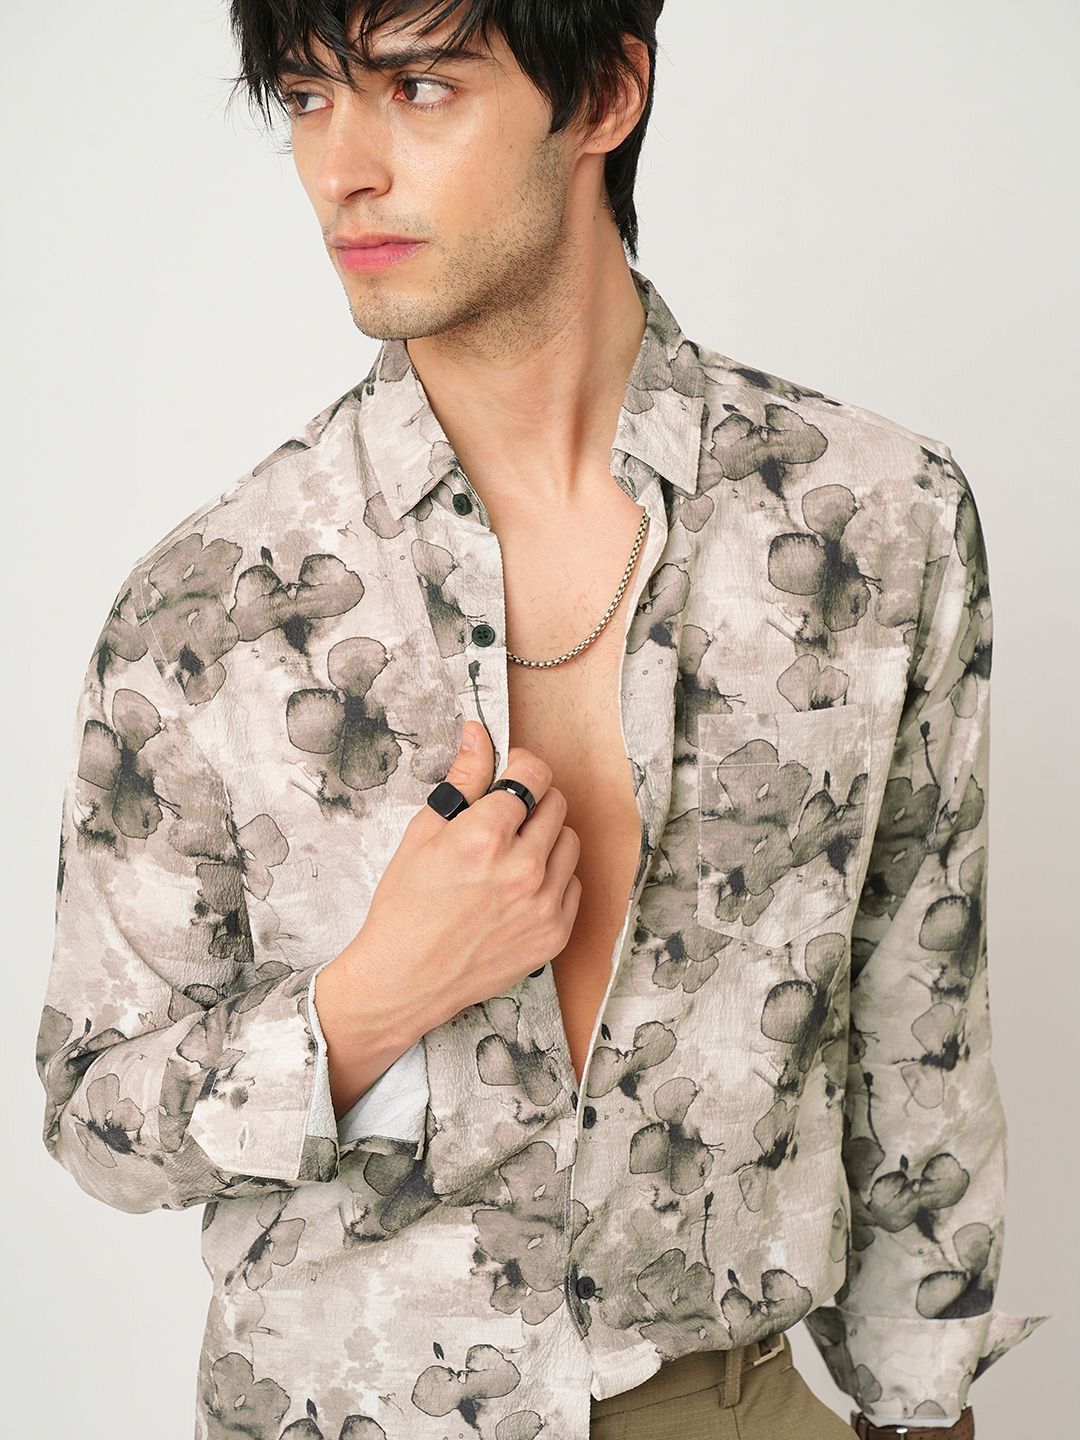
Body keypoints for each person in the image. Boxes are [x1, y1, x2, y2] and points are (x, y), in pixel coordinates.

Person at [35, 4, 1048, 1438]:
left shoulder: (880, 525)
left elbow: (919, 1029)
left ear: (608, 94)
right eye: (309, 99)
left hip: (727, 1406)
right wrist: (366, 1003)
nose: (344, 169)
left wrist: (922, 1406)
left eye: (419, 88)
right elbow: (95, 1114)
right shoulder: (209, 611)